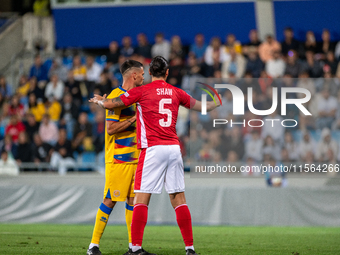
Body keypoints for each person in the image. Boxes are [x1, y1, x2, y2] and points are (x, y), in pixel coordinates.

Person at [90, 56, 220, 255]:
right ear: (167, 73)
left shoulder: (141, 91)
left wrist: (101, 101)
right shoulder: (177, 92)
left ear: (150, 73)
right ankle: (190, 248)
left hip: (152, 149)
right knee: (179, 198)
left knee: (140, 199)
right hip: (174, 149)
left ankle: (134, 248)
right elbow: (201, 106)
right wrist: (215, 102)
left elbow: (111, 105)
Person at [87, 60, 152, 255]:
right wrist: (134, 118)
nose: (143, 77)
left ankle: (133, 247)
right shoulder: (117, 97)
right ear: (133, 76)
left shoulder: (136, 96)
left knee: (133, 201)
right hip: (118, 158)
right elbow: (111, 128)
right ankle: (93, 246)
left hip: (135, 158)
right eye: (141, 74)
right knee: (110, 200)